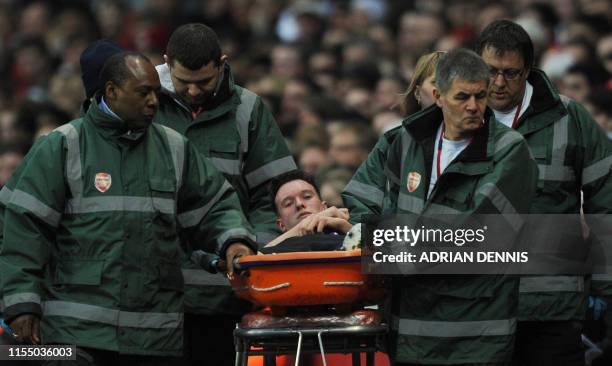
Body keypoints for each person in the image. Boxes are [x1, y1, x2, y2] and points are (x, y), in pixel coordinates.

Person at [0, 51, 256, 364]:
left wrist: (235, 240)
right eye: (143, 92)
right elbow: (22, 230)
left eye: (155, 93)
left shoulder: (174, 148)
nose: (153, 101)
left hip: (155, 337)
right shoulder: (64, 145)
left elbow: (215, 205)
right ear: (111, 91)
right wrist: (21, 303)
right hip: (75, 334)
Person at [152, 23, 296, 366]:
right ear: (166, 63)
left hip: (224, 293)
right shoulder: (145, 104)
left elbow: (272, 193)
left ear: (222, 63)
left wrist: (252, 253)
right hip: (154, 292)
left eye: (203, 82)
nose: (191, 91)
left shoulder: (248, 109)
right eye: (182, 81)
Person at [384, 48, 537, 365]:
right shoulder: (408, 140)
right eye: (462, 97)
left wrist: (389, 245)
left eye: (480, 97)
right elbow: (378, 206)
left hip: (474, 330)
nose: (473, 106)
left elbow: (475, 232)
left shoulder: (509, 150)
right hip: (409, 325)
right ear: (438, 96)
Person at [476, 19, 612, 365]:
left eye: (511, 73)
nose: (499, 83)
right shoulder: (456, 119)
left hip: (551, 306)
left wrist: (604, 284)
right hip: (473, 305)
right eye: (490, 71)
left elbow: (607, 203)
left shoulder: (569, 118)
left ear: (529, 71)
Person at [342, 51, 444, 223]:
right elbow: (360, 200)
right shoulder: (395, 141)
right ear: (418, 93)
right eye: (436, 82)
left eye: (451, 83)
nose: (443, 90)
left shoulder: (481, 141)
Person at [266, 170, 352, 248]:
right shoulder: (276, 253)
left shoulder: (346, 233)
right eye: (288, 203)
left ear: (324, 208)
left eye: (307, 197)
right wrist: (299, 228)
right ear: (282, 225)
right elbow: (260, 256)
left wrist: (349, 230)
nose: (299, 204)